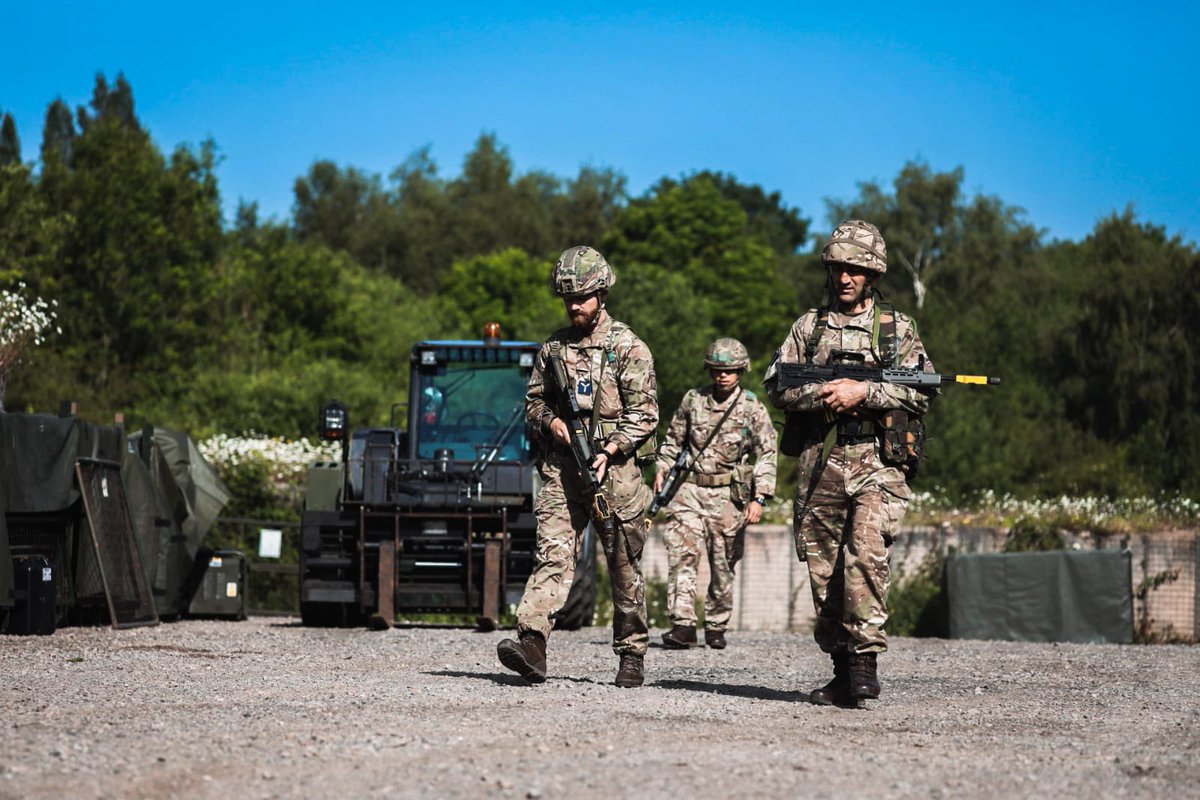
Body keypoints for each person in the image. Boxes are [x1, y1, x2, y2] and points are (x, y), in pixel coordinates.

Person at [764, 220, 935, 707]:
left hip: (878, 460)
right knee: (824, 571)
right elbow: (776, 385)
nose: (844, 277)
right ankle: (842, 669)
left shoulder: (896, 329)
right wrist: (822, 394)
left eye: (854, 269)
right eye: (837, 267)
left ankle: (864, 665)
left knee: (866, 551)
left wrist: (865, 392)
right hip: (822, 461)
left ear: (872, 274)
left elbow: (924, 389)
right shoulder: (809, 327)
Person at [496, 246, 659, 688]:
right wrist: (551, 422)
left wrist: (612, 448)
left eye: (582, 298)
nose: (574, 306)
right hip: (562, 471)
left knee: (623, 564)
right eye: (568, 298)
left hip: (615, 474)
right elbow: (534, 402)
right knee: (551, 553)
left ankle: (631, 654)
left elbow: (645, 412)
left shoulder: (628, 347)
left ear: (602, 294)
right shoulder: (553, 348)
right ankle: (532, 643)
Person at [653, 338, 778, 650]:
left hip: (728, 496)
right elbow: (674, 440)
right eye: (717, 370)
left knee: (723, 564)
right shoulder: (693, 400)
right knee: (681, 556)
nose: (723, 376)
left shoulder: (751, 408)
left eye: (730, 370)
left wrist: (759, 497)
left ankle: (716, 625)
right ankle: (682, 625)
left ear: (741, 371)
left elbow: (767, 452)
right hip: (689, 490)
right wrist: (662, 468)